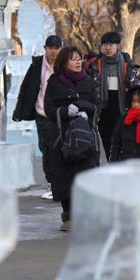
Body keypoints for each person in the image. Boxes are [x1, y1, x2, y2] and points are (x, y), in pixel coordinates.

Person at [43, 46, 99, 231]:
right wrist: (65, 111)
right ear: (63, 62)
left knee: (87, 174)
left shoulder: (88, 82)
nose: (77, 62)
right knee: (65, 176)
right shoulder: (54, 82)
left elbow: (96, 105)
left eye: (79, 59)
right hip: (62, 136)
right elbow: (48, 109)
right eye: (73, 59)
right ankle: (68, 216)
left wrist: (84, 109)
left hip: (85, 136)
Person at [12, 35, 63, 200]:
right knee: (46, 149)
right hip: (42, 114)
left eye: (57, 48)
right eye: (51, 48)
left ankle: (60, 183)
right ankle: (51, 184)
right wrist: (18, 112)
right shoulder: (37, 65)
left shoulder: (64, 64)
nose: (54, 51)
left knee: (61, 149)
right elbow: (26, 88)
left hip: (60, 115)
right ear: (45, 48)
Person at [89, 31, 140, 160]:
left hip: (122, 111)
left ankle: (122, 173)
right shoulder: (97, 65)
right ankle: (112, 170)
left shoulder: (127, 64)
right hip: (103, 112)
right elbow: (92, 87)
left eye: (111, 44)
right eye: (105, 45)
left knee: (122, 146)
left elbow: (136, 88)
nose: (108, 48)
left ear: (118, 45)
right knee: (108, 146)